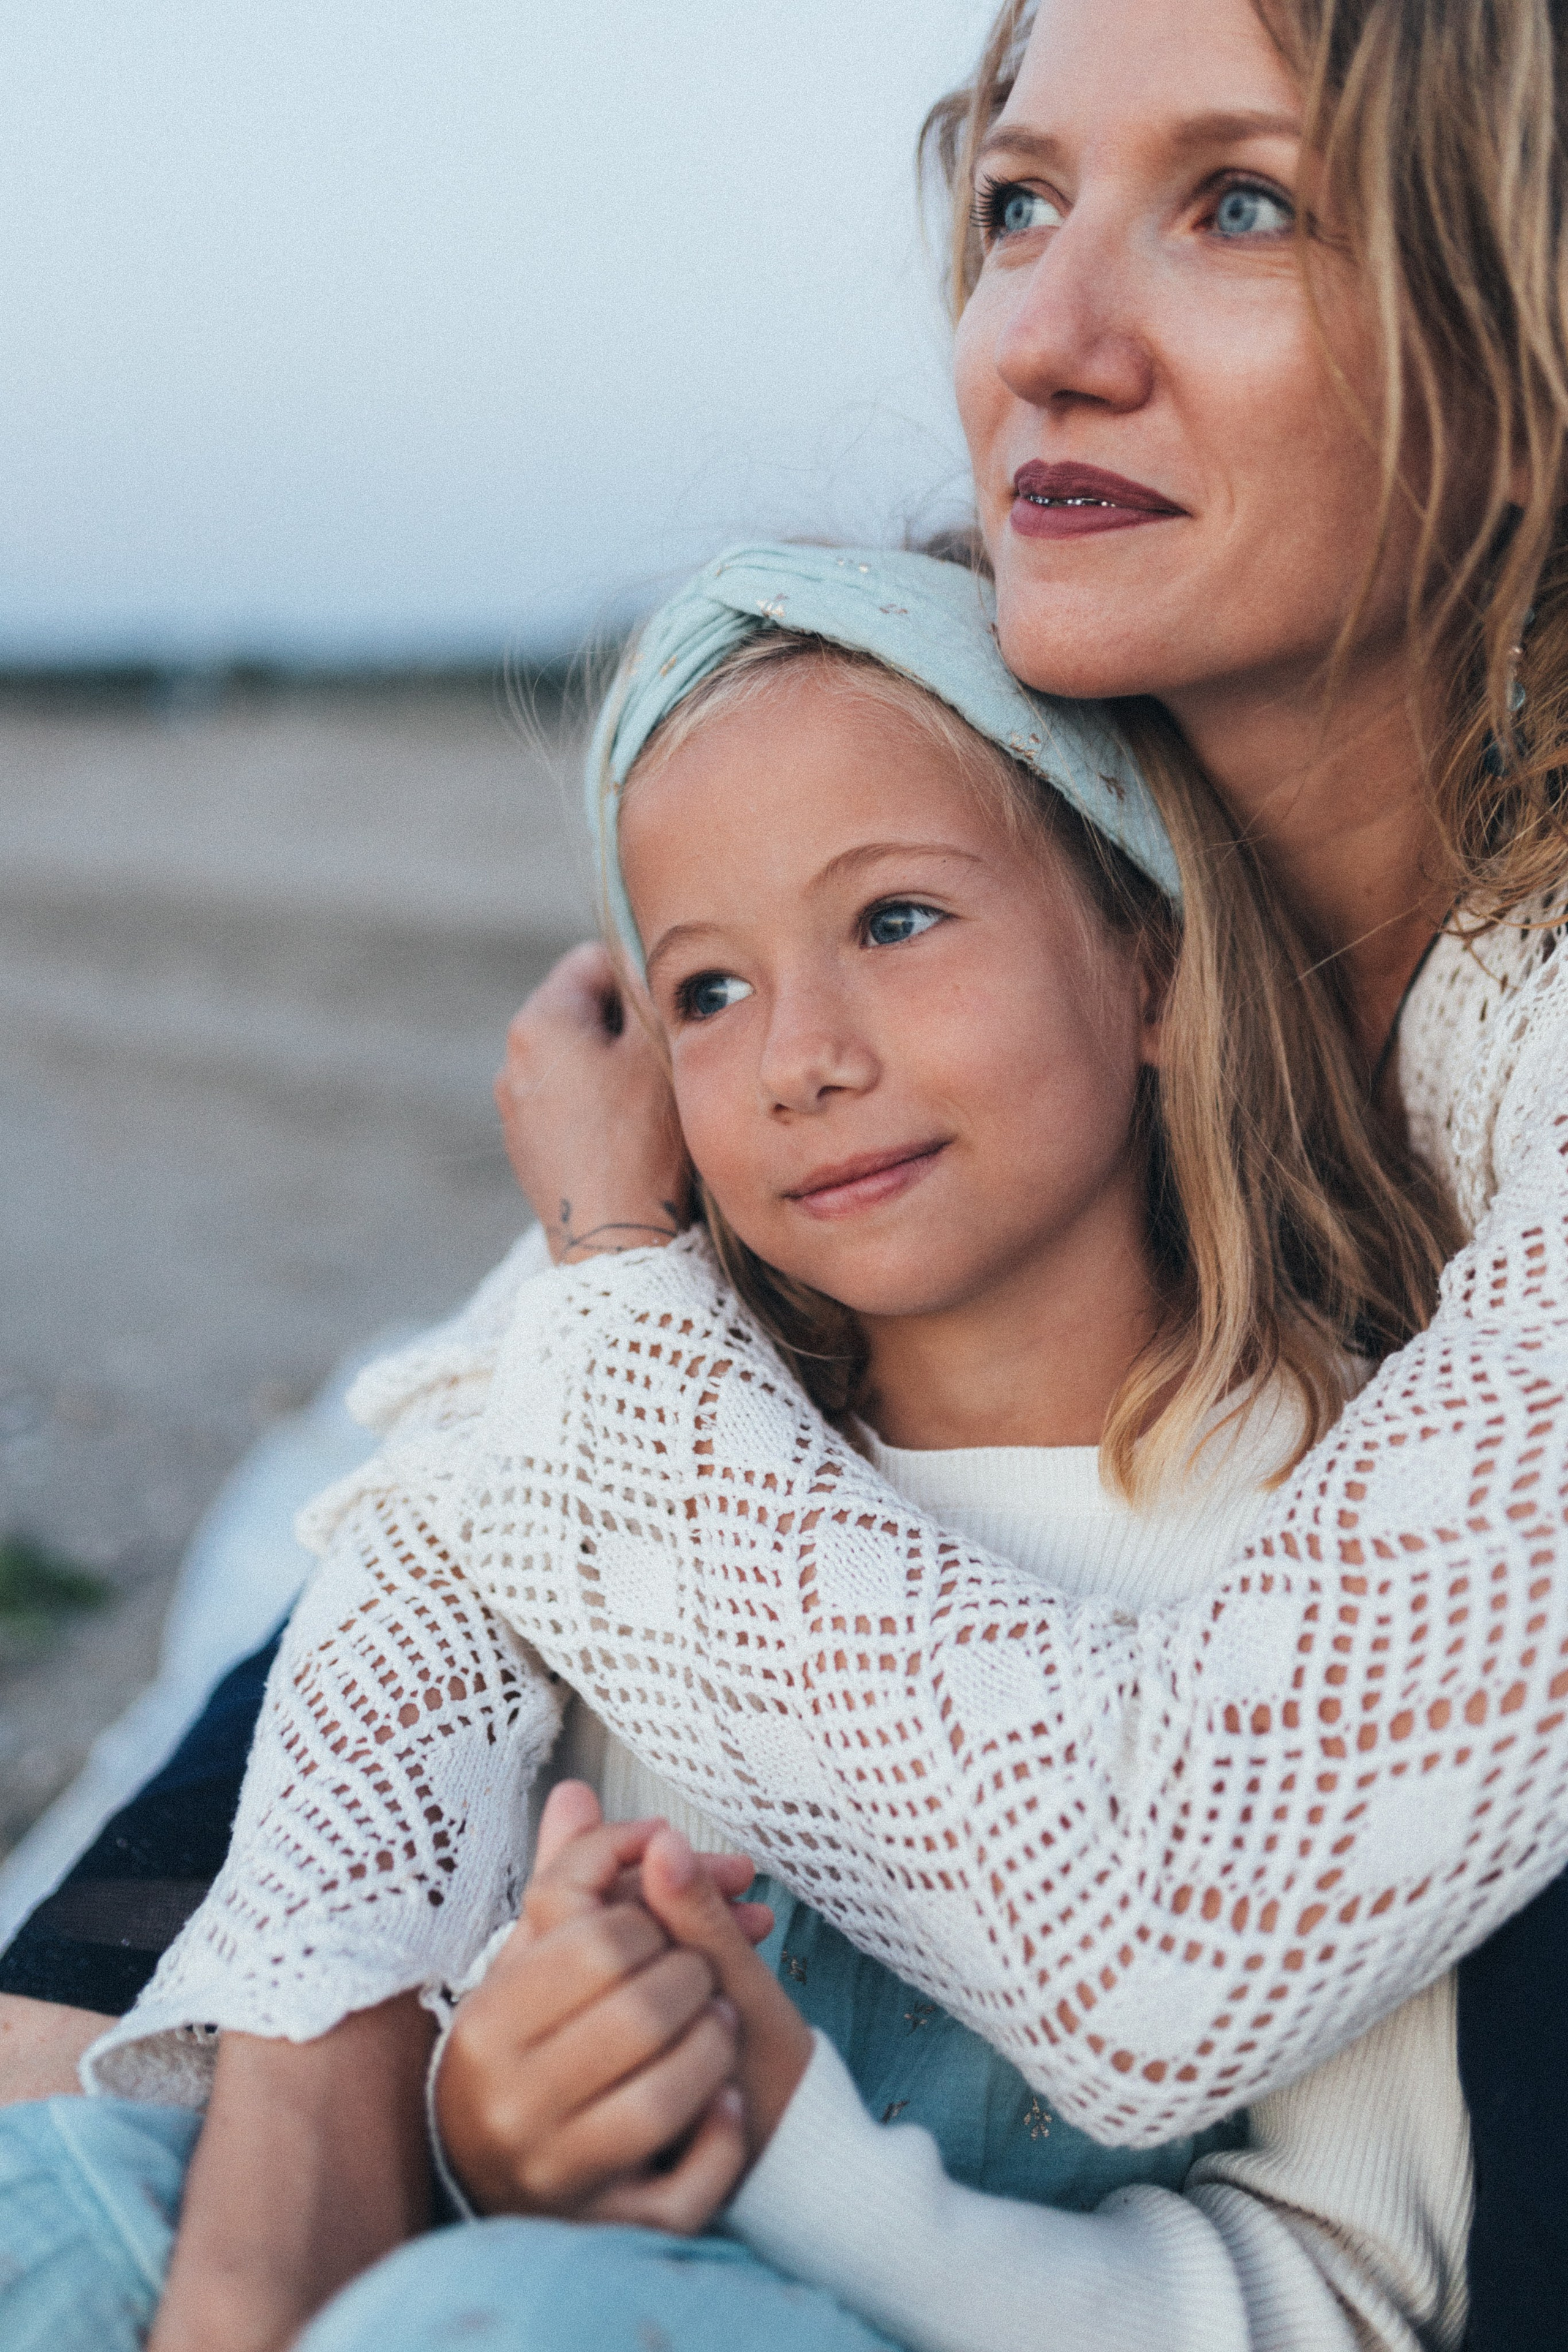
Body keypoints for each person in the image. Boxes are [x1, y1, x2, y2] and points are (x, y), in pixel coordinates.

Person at [0, 545, 1466, 2352]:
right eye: (707, 991)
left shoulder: (1353, 1530)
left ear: (1152, 959)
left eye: (896, 922)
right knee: (51, 2210)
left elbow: (1354, 2293)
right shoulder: (660, 1461)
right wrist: (501, 2117)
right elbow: (485, 2100)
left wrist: (793, 2158)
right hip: (552, 2280)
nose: (799, 1061)